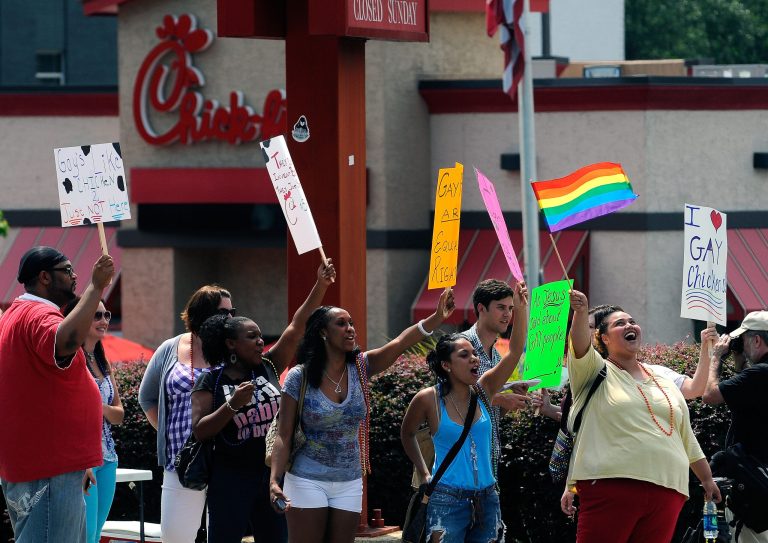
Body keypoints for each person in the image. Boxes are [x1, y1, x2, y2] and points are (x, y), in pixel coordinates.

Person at [139, 261, 334, 543]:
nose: (260, 342)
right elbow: (197, 426)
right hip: (214, 469)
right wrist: (232, 405)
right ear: (231, 342)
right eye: (251, 336)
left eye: (259, 336)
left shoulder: (266, 366)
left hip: (264, 473)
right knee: (181, 537)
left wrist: (320, 285)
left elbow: (296, 327)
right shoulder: (209, 378)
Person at [268, 288, 456, 543]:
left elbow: (400, 342)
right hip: (306, 478)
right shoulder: (299, 377)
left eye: (351, 323)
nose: (350, 329)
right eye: (341, 323)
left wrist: (436, 317)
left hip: (350, 481)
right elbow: (284, 434)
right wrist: (275, 480)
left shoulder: (361, 367)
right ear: (323, 332)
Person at [565, 289, 720, 542]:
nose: (629, 325)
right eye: (619, 324)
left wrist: (707, 479)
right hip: (611, 486)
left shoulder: (663, 380)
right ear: (603, 338)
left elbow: (686, 437)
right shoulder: (593, 370)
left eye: (632, 321)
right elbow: (580, 345)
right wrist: (581, 313)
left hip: (668, 491)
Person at [0, 246, 115, 543]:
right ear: (44, 277)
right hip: (49, 467)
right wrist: (96, 286)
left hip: (46, 465)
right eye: (67, 270)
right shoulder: (37, 314)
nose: (75, 276)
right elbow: (65, 343)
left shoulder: (17, 314)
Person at [401, 281, 528, 542]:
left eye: (474, 354)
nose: (474, 359)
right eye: (464, 355)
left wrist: (522, 308)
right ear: (446, 365)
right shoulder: (428, 398)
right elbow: (407, 433)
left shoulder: (484, 389)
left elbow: (515, 352)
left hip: (488, 497)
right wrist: (424, 472)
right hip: (446, 498)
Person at [703, 311, 768, 543]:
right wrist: (741, 361)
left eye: (744, 339)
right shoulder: (757, 375)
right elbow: (747, 396)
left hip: (754, 480)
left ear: (757, 340)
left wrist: (716, 358)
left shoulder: (760, 373)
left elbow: (710, 396)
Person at [63, 297, 124, 543]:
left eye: (106, 315)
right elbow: (67, 414)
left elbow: (119, 414)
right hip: (82, 460)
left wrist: (99, 408)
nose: (104, 320)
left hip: (108, 458)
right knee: (85, 533)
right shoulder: (71, 359)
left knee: (96, 533)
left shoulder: (102, 360)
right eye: (97, 315)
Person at [460, 279, 529, 412]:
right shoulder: (460, 345)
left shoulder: (496, 356)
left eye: (510, 308)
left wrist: (512, 400)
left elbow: (494, 415)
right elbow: (456, 397)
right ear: (481, 308)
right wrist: (501, 399)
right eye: (501, 307)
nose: (507, 314)